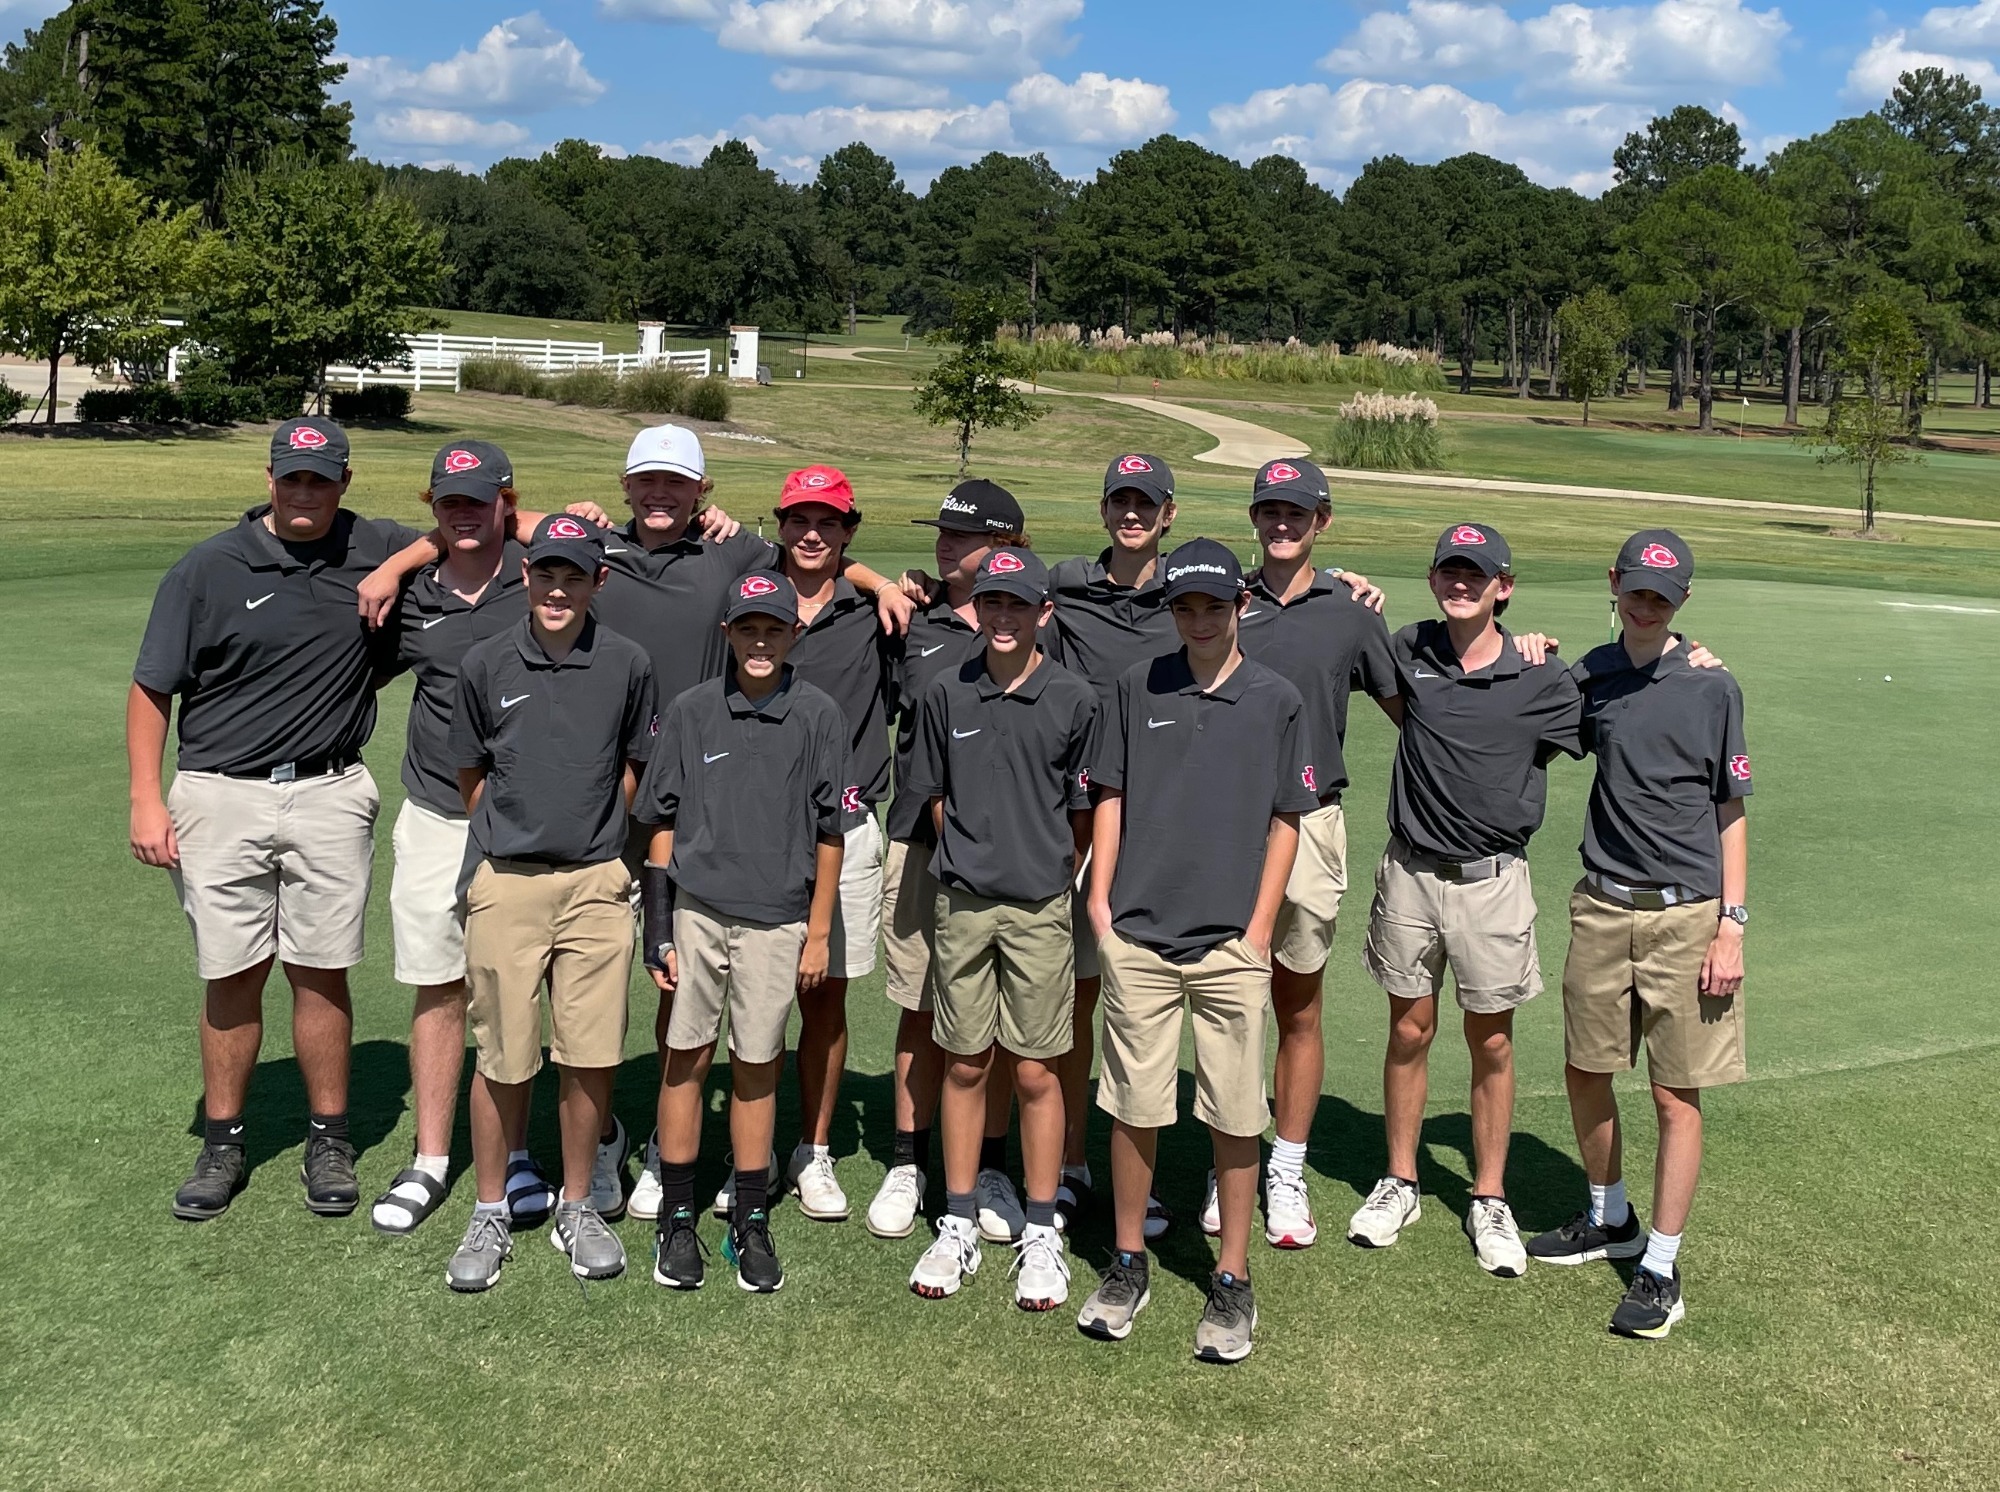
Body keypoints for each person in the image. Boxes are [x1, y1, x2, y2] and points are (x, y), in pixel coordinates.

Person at [131, 417, 428, 1221]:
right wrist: (145, 798)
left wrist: (396, 564)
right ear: (269, 479)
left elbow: (480, 526)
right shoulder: (209, 567)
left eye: (320, 480)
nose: (305, 493)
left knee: (321, 968)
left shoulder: (373, 542)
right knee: (231, 973)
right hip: (219, 794)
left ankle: (328, 1136)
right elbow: (153, 686)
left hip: (330, 792)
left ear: (344, 482)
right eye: (292, 478)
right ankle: (224, 1142)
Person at [1076, 537, 1317, 1365]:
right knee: (1135, 1106)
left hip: (1229, 943)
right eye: (1185, 606)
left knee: (1234, 1114)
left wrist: (1258, 931)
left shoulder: (1277, 699)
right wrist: (1102, 906)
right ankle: (1128, 1262)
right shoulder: (1134, 685)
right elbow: (1110, 795)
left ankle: (1233, 1277)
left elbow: (1289, 817)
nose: (1199, 619)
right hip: (1139, 933)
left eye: (1214, 605)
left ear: (1240, 605)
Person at [1525, 530, 1750, 1341]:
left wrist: (1733, 924)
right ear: (1614, 583)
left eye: (1663, 594)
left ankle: (1659, 1265)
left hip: (1688, 913)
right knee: (1586, 1068)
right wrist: (1532, 656)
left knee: (1671, 1094)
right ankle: (1608, 1216)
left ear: (1682, 601)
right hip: (1601, 904)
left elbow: (1730, 811)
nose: (1646, 604)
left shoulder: (1712, 686)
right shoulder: (1592, 674)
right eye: (1636, 589)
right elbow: (1536, 725)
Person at [1348, 523, 1583, 1279]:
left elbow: (1604, 713)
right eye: (1449, 571)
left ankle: (1488, 1196)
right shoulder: (1408, 648)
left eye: (1475, 575)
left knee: (1492, 1041)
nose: (1460, 584)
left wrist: (1693, 657)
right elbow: (1362, 670)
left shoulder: (1541, 674)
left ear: (1502, 588)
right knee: (1409, 1029)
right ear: (1433, 577)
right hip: (1411, 872)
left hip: (1493, 881)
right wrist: (1348, 594)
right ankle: (1402, 1179)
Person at [442, 514, 657, 1292]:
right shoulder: (485, 662)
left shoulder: (629, 664)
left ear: (599, 581)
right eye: (544, 574)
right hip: (507, 878)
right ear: (524, 576)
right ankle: (491, 1208)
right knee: (503, 1054)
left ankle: (577, 1205)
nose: (557, 588)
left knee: (590, 1054)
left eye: (574, 575)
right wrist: (515, 835)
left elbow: (634, 767)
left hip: (597, 882)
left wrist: (589, 836)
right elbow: (472, 775)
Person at [635, 571, 852, 1294]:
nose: (761, 641)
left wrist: (819, 933)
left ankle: (750, 1216)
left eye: (775, 629)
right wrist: (658, 928)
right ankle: (676, 1211)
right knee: (685, 1058)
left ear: (794, 634)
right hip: (697, 911)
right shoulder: (693, 710)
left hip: (779, 917)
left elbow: (830, 831)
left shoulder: (818, 714)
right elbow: (660, 822)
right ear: (727, 632)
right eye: (747, 628)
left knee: (758, 1063)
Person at [904, 548, 1099, 1309]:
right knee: (962, 1062)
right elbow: (933, 797)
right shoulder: (946, 691)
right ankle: (956, 1221)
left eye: (1020, 605)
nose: (1005, 618)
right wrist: (979, 849)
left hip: (1042, 907)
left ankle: (1043, 1225)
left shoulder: (1075, 699)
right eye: (993, 605)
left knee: (1036, 1069)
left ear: (1044, 612)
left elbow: (1082, 814)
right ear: (977, 610)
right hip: (961, 903)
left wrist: (1039, 863)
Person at [370, 440, 555, 1234]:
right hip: (439, 817)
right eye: (450, 502)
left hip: (527, 827)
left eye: (480, 500)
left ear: (506, 500)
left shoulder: (545, 576)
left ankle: (513, 1154)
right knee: (439, 987)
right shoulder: (410, 593)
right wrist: (396, 565)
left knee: (512, 998)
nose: (464, 513)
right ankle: (431, 1158)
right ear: (434, 507)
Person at [1228, 458, 1399, 1249]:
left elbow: (1417, 711)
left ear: (1322, 520)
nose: (1282, 524)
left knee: (1297, 1002)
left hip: (1312, 822)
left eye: (1297, 513)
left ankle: (1285, 1169)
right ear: (1255, 517)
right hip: (1220, 826)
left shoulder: (1350, 611)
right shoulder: (1225, 597)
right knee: (1230, 1004)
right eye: (1270, 510)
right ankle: (1224, 1165)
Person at [866, 480, 1026, 1241]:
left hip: (1004, 857)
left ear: (1006, 547)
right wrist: (881, 584)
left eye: (963, 538)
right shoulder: (911, 619)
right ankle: (908, 1158)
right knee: (919, 1005)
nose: (944, 545)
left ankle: (991, 1162)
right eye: (943, 535)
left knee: (987, 1020)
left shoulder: (1028, 621)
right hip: (921, 847)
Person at [764, 465, 897, 1225]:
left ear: (848, 531)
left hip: (844, 833)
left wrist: (879, 584)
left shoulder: (876, 609)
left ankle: (812, 1149)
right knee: (749, 1003)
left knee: (825, 998)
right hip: (754, 833)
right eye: (798, 519)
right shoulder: (748, 592)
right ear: (778, 523)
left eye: (828, 522)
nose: (811, 533)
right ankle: (741, 1147)